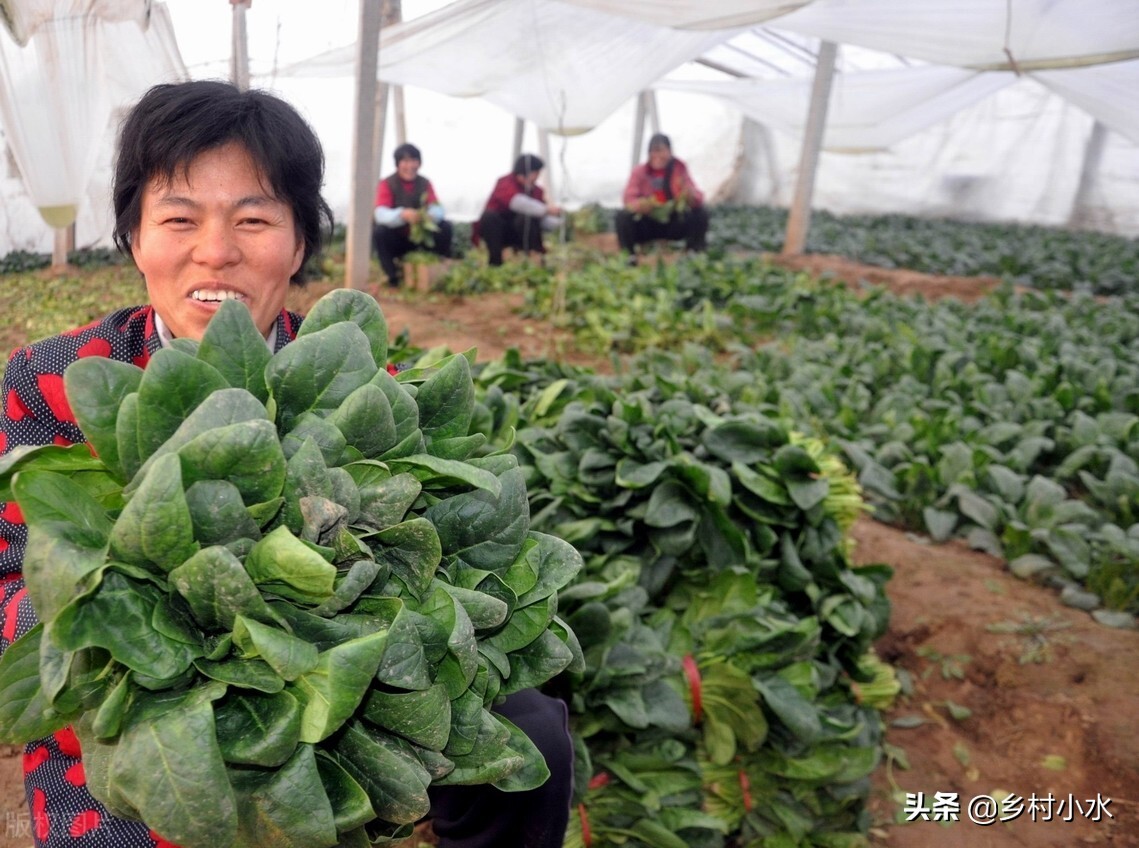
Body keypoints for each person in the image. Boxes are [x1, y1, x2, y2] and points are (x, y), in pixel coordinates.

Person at [0, 80, 572, 848]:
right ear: (134, 238)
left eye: (253, 219)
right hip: (130, 725)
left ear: (299, 242)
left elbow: (449, 572)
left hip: (323, 723)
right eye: (179, 218)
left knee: (533, 727)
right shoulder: (56, 381)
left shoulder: (363, 381)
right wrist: (124, 630)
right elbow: (7, 569)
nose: (216, 250)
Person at [615, 132, 709, 262]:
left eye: (662, 151)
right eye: (654, 151)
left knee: (701, 213)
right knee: (622, 216)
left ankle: (694, 251)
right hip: (649, 223)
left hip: (673, 223)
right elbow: (628, 198)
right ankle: (630, 256)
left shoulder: (679, 168)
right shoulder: (640, 172)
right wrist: (640, 205)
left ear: (670, 152)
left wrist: (690, 196)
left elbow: (697, 195)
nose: (658, 156)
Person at [372, 142, 454, 288]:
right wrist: (403, 214)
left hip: (421, 240)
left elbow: (438, 209)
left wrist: (427, 216)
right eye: (405, 161)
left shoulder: (425, 183)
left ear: (419, 163)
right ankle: (393, 278)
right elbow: (380, 214)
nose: (410, 166)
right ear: (398, 164)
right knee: (380, 232)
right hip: (399, 239)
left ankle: (440, 269)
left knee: (445, 227)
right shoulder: (387, 183)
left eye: (413, 161)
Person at [473, 154, 563, 266]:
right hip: (500, 232)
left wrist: (560, 222)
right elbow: (517, 202)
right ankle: (495, 263)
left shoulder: (537, 191)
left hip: (521, 233)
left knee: (527, 219)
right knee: (489, 217)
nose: (537, 177)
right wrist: (547, 210)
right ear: (525, 173)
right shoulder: (505, 183)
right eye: (536, 173)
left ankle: (535, 260)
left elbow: (542, 218)